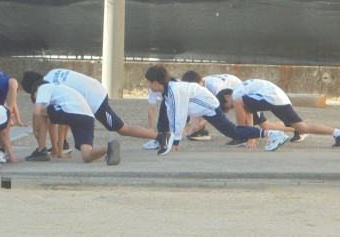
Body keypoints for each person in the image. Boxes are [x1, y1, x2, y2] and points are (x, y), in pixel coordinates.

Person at [21, 69, 171, 161]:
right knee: (119, 129)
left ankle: (160, 136)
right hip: (95, 88)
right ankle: (159, 136)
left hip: (93, 99)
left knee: (121, 128)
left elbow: (62, 120)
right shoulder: (53, 73)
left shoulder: (46, 88)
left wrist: (56, 149)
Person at [145, 65, 289, 154]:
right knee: (233, 131)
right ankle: (161, 139)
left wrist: (176, 141)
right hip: (203, 107)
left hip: (210, 107)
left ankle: (273, 134)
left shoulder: (174, 90)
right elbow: (172, 113)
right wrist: (171, 137)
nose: (148, 86)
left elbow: (180, 115)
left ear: (156, 83)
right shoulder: (168, 90)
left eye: (149, 83)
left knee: (234, 131)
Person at [217, 79, 340, 149]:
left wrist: (248, 135)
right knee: (302, 128)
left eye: (229, 106)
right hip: (278, 97)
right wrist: (251, 137)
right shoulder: (244, 93)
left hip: (271, 96)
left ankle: (240, 134)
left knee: (238, 101)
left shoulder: (237, 94)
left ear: (227, 96)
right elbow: (249, 113)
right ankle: (337, 133)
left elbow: (246, 111)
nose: (232, 108)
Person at [29, 78, 121, 165]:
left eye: (35, 98)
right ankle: (109, 148)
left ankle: (41, 151)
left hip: (73, 110)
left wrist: (35, 130)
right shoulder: (61, 95)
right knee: (87, 156)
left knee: (41, 112)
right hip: (87, 116)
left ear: (37, 88)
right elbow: (62, 127)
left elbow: (37, 112)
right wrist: (59, 152)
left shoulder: (43, 87)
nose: (37, 101)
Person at [180, 71, 242, 142]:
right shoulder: (198, 85)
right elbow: (196, 106)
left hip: (236, 85)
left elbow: (218, 110)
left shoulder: (215, 87)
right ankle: (201, 131)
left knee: (240, 110)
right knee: (203, 105)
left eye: (196, 87)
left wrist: (204, 122)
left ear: (201, 80)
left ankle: (241, 134)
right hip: (226, 83)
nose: (195, 89)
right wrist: (194, 125)